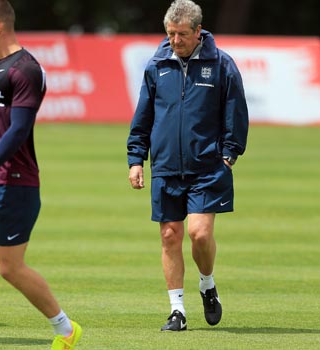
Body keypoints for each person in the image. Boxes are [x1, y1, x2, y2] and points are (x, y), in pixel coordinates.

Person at [0, 1, 82, 350]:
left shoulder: (26, 69)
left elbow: (18, 130)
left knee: (9, 268)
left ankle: (67, 329)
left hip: (13, 183)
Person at [126, 0, 249, 332]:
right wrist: (136, 158)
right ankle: (177, 311)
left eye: (181, 34)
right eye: (170, 34)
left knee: (199, 233)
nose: (175, 41)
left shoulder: (222, 65)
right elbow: (144, 116)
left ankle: (207, 284)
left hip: (208, 166)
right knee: (169, 235)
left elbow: (236, 112)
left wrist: (229, 153)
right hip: (165, 166)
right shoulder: (156, 65)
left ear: (198, 32)